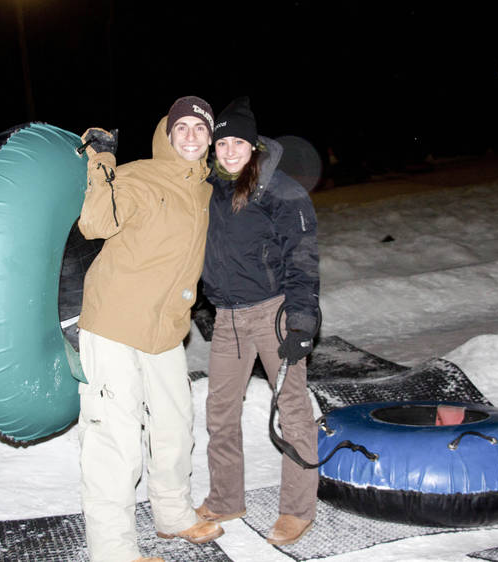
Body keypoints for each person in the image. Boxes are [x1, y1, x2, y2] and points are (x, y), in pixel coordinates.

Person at [76, 96, 223, 562]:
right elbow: (94, 223)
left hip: (165, 328)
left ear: (209, 139)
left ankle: (173, 515)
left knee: (175, 426)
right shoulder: (140, 175)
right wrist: (101, 161)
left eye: (200, 129)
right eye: (182, 127)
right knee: (116, 438)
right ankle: (114, 551)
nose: (191, 136)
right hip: (116, 321)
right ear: (167, 133)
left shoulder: (204, 190)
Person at [196, 97, 320, 546]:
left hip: (274, 313)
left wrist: (302, 324)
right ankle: (227, 498)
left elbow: (302, 260)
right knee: (219, 413)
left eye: (238, 142)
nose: (229, 150)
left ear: (254, 145)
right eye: (222, 142)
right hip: (227, 318)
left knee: (293, 413)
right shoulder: (208, 187)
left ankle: (297, 509)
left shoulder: (282, 190)